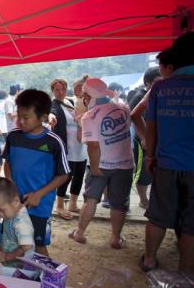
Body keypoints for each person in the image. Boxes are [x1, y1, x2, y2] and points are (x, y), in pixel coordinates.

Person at [142, 32, 194, 274]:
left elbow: (151, 128)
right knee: (191, 225)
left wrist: (150, 158)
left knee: (158, 216)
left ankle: (149, 260)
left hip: (166, 163)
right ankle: (185, 273)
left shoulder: (161, 88)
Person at [3, 89, 70, 256]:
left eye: (26, 117)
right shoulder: (13, 137)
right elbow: (8, 163)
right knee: (13, 241)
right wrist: (10, 186)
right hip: (14, 204)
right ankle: (18, 278)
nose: (20, 121)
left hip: (39, 207)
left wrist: (39, 194)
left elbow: (64, 174)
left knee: (38, 246)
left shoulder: (53, 142)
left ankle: (43, 280)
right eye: (18, 116)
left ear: (43, 117)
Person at [69, 78, 133, 250]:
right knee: (119, 203)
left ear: (88, 96)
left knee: (91, 199)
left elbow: (93, 145)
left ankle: (80, 232)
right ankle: (115, 238)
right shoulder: (124, 108)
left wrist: (95, 167)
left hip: (101, 165)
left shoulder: (90, 116)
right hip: (125, 163)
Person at [49, 79, 88, 220]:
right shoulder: (54, 105)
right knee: (65, 176)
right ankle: (59, 205)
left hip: (79, 146)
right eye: (57, 89)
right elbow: (52, 113)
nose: (60, 92)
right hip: (66, 147)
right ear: (52, 91)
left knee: (79, 174)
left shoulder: (71, 102)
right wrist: (51, 117)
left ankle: (72, 203)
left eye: (63, 89)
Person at [128, 67, 161, 209]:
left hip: (156, 140)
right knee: (143, 172)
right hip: (142, 141)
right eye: (156, 82)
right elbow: (134, 117)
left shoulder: (159, 94)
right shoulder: (140, 96)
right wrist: (144, 137)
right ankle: (143, 199)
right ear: (147, 83)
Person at [0, 178, 35, 273]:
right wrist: (0, 249)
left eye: (1, 210)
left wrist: (6, 256)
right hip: (11, 268)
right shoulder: (10, 215)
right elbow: (9, 237)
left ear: (16, 201)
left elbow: (26, 248)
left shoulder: (21, 223)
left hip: (21, 272)